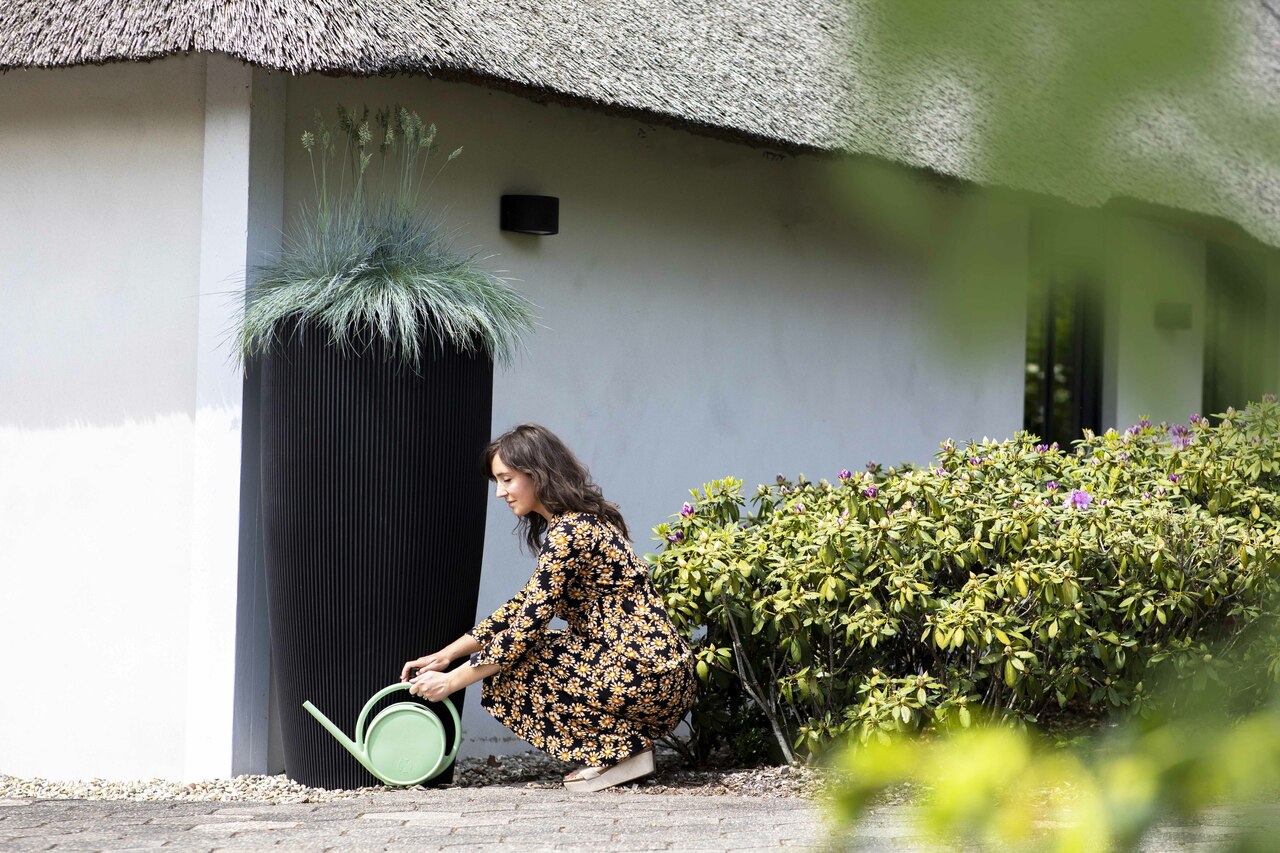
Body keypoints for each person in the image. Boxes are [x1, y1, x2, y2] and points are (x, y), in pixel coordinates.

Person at [400, 424, 697, 792]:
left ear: (537, 473)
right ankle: (622, 750)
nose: (500, 493)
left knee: (507, 669)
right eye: (497, 481)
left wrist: (452, 681)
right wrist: (446, 655)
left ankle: (621, 752)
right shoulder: (577, 524)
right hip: (655, 671)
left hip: (646, 674)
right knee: (511, 656)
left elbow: (526, 627)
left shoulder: (571, 532)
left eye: (507, 479)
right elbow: (522, 607)